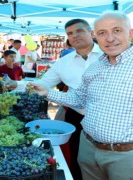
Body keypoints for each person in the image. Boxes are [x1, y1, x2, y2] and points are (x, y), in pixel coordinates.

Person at [30, 11, 133, 180]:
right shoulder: (95, 67)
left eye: (116, 30)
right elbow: (79, 100)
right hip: (88, 149)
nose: (109, 38)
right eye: (102, 33)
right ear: (96, 36)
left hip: (127, 156)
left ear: (130, 33)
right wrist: (47, 93)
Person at [31, 18, 102, 180]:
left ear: (91, 33)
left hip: (109, 119)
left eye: (79, 31)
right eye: (70, 33)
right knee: (78, 160)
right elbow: (43, 84)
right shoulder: (63, 63)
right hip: (77, 117)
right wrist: (16, 85)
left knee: (109, 163)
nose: (75, 35)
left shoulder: (108, 55)